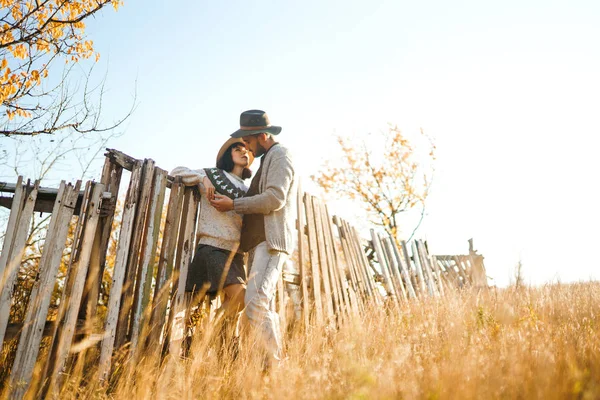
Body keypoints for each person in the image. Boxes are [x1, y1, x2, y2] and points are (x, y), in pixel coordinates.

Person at [210, 109, 297, 367]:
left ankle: (276, 367)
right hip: (259, 244)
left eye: (247, 141)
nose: (245, 147)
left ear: (261, 136)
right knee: (259, 304)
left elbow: (275, 199)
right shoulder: (267, 159)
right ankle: (268, 368)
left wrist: (234, 204)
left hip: (271, 242)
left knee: (256, 301)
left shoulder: (280, 155)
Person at [170, 138, 253, 320]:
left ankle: (215, 338)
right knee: (242, 297)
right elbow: (176, 172)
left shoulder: (249, 190)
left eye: (246, 150)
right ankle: (214, 331)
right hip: (213, 248)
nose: (243, 152)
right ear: (228, 155)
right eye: (237, 149)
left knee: (238, 305)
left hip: (237, 255)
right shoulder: (213, 175)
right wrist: (203, 179)